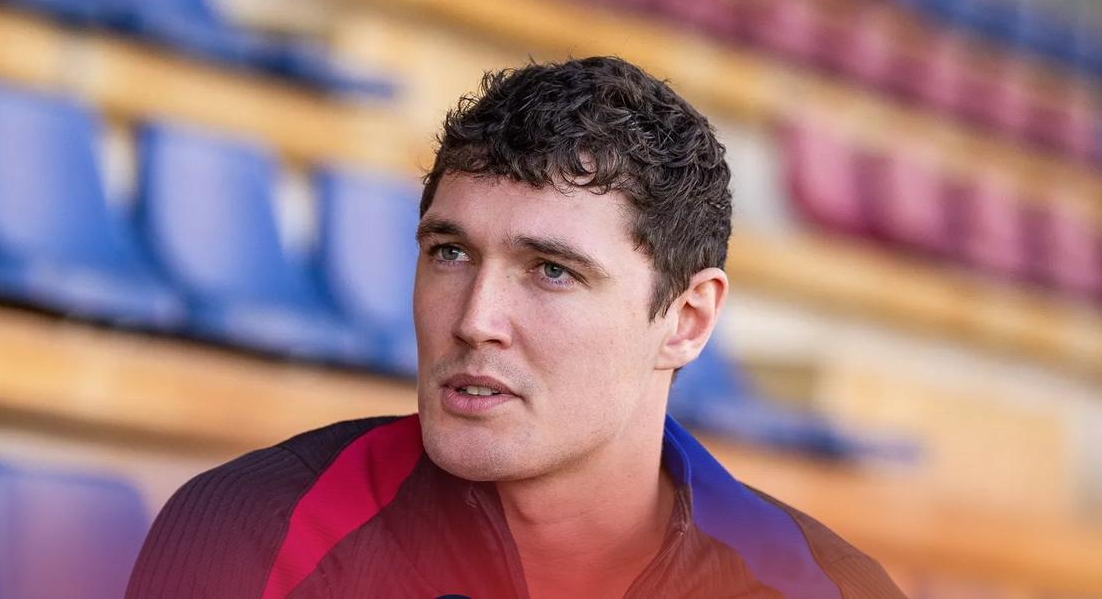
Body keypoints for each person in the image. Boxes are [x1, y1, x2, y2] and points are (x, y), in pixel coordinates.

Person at [126, 56, 904, 598]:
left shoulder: (827, 589)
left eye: (552, 270)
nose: (474, 319)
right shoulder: (249, 531)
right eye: (450, 252)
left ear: (686, 319)